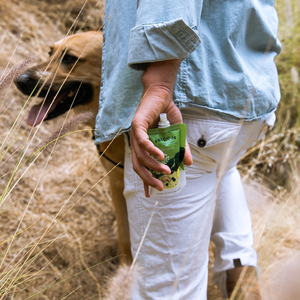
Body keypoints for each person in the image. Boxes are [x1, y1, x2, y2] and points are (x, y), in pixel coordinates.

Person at [95, 0, 281, 299]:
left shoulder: (169, 89)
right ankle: (240, 275)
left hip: (187, 103)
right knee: (216, 167)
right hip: (243, 94)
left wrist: (160, 80)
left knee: (167, 289)